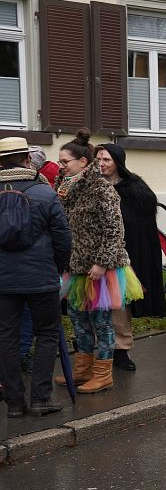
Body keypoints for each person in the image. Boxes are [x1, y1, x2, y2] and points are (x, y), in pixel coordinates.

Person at [55, 130, 143, 394]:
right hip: (75, 265)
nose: (61, 166)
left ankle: (103, 373)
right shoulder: (66, 188)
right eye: (60, 162)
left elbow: (114, 229)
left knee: (102, 322)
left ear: (83, 162)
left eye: (65, 162)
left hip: (99, 268)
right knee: (78, 319)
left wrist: (102, 263)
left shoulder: (101, 189)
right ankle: (82, 369)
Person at [0, 137, 71, 420]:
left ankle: (14, 403)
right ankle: (41, 399)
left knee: (6, 337)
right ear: (27, 159)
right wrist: (56, 267)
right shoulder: (44, 192)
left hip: (3, 280)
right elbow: (63, 237)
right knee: (47, 334)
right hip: (40, 276)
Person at [95, 144, 166, 372]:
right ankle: (93, 351)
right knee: (92, 303)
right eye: (98, 159)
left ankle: (121, 350)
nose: (101, 164)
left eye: (106, 160)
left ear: (117, 162)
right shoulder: (91, 186)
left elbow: (138, 226)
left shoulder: (135, 190)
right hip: (93, 255)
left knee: (119, 305)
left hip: (122, 256)